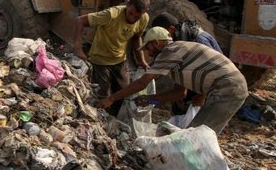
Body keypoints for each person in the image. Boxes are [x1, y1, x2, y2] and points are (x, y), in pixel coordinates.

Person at [97, 26, 248, 136]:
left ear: (156, 42)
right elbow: (180, 93)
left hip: (226, 88)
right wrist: (150, 98)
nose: (148, 53)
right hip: (232, 86)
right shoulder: (179, 55)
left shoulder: (169, 51)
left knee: (197, 138)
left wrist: (111, 98)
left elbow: (142, 83)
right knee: (204, 137)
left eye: (148, 48)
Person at [73, 0, 150, 116]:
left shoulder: (144, 18)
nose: (132, 18)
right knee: (102, 97)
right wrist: (78, 46)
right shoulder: (111, 14)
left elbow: (137, 37)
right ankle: (101, 123)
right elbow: (80, 20)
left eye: (137, 16)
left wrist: (141, 60)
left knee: (124, 92)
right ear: (127, 5)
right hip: (100, 61)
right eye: (130, 13)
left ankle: (114, 121)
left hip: (120, 59)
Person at [151, 12, 222, 113]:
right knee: (179, 109)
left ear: (171, 29)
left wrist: (201, 97)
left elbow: (213, 72)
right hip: (199, 82)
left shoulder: (198, 40)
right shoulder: (180, 40)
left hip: (216, 87)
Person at [151, 12, 222, 52]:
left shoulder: (199, 40)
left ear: (172, 29)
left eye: (162, 34)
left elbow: (212, 65)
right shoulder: (184, 37)